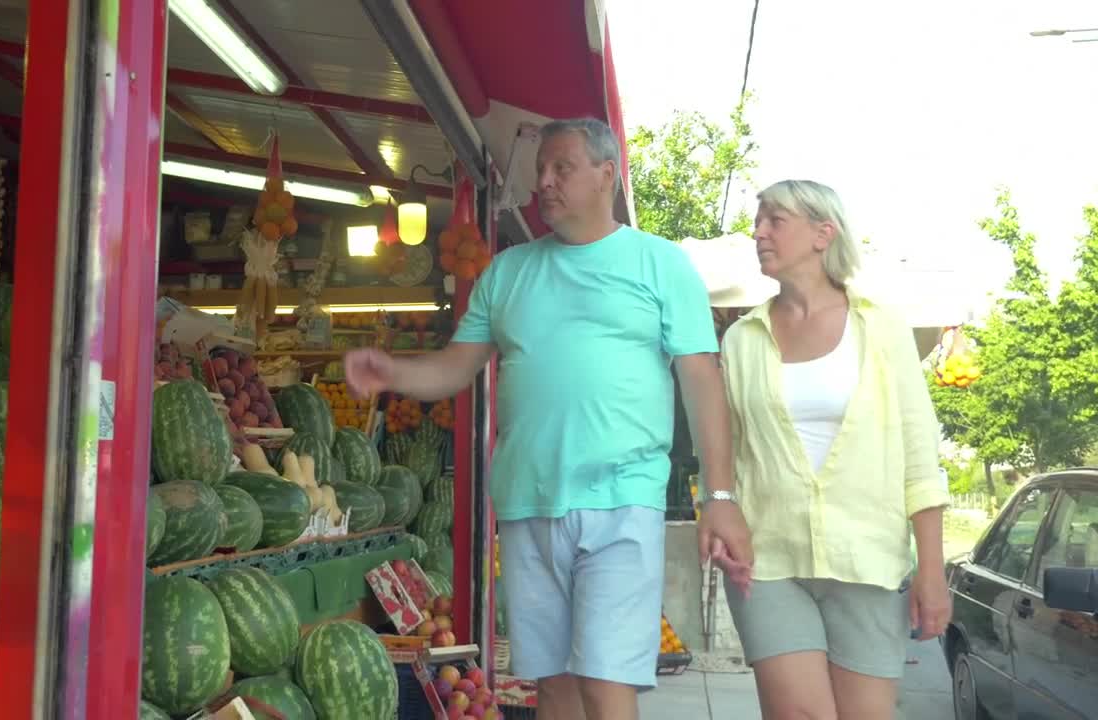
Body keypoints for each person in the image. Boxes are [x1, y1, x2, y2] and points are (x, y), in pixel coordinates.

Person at [344, 117, 752, 720]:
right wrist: (394, 372)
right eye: (542, 170)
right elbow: (458, 366)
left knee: (606, 682)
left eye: (563, 167)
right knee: (552, 685)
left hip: (621, 498)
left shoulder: (660, 265)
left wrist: (717, 494)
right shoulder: (508, 272)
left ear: (607, 174)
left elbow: (701, 382)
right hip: (527, 501)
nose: (545, 182)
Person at [719, 179, 952, 720]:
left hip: (866, 559)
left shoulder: (882, 328)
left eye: (775, 219)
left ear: (824, 232)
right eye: (759, 220)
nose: (759, 232)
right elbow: (727, 450)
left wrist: (931, 570)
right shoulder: (742, 340)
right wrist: (718, 502)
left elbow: (919, 453)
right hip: (768, 560)